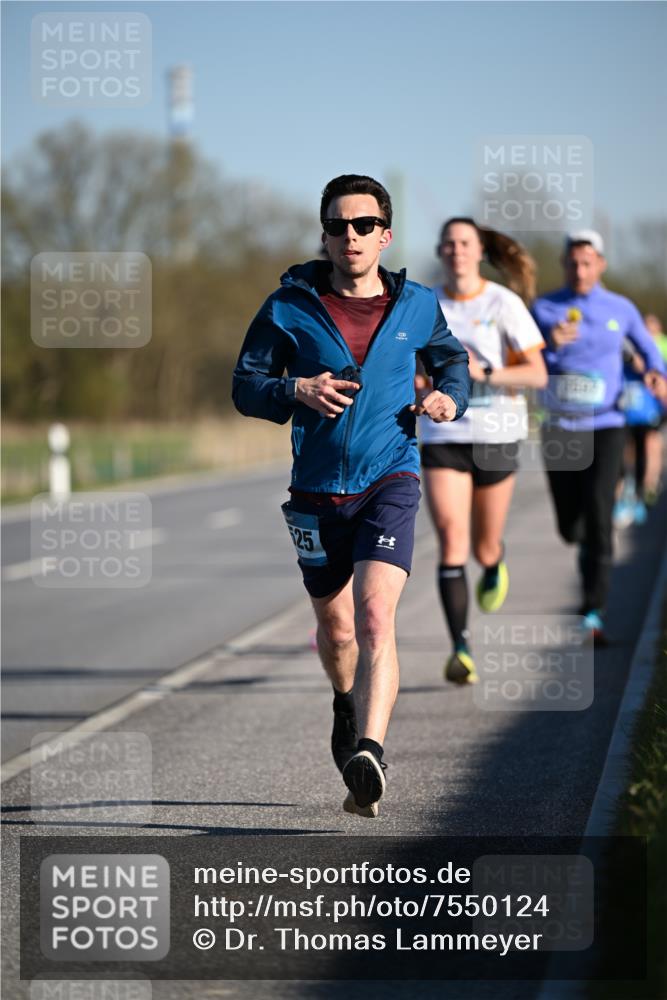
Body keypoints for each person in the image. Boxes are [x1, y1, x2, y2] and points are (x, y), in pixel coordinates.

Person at [232, 175, 470, 817]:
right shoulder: (288, 305)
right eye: (338, 225)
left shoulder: (417, 304)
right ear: (325, 235)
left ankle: (370, 750)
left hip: (391, 475)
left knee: (373, 616)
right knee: (336, 631)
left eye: (363, 225)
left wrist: (450, 397)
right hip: (314, 493)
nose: (350, 236)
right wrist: (294, 391)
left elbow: (452, 360)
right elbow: (245, 386)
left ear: (384, 235)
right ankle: (345, 704)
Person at [418, 217, 547, 684]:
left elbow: (537, 374)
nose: (456, 251)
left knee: (482, 543)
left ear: (479, 251)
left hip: (496, 434)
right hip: (444, 436)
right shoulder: (424, 302)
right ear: (440, 250)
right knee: (451, 540)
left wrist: (484, 375)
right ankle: (460, 648)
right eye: (448, 243)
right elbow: (408, 366)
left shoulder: (502, 302)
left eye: (465, 243)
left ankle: (493, 563)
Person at [531, 231, 666, 642]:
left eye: (588, 263)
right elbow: (526, 358)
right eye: (572, 263)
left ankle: (594, 609)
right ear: (564, 263)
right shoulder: (545, 307)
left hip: (606, 424)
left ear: (600, 264)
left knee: (600, 513)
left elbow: (650, 348)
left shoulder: (619, 308)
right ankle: (585, 542)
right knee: (572, 527)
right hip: (559, 425)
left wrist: (655, 371)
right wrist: (549, 346)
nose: (580, 270)